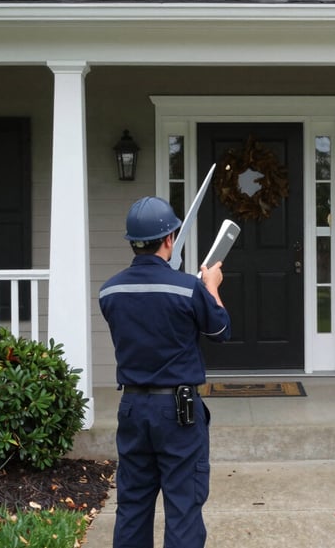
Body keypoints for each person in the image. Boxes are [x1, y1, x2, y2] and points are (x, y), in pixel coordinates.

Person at [99, 196, 231, 548]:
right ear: (170, 239)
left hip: (132, 409)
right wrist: (211, 287)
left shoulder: (109, 291)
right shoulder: (188, 289)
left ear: (133, 242)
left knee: (132, 505)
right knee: (183, 506)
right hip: (178, 413)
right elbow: (220, 331)